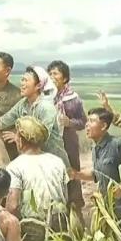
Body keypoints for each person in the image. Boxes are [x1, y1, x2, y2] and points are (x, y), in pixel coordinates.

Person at [0, 66, 72, 172]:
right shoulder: (23, 104)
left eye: (26, 80)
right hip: (36, 162)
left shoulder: (46, 107)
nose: (22, 84)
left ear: (38, 85)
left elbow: (41, 137)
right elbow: (2, 122)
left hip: (54, 163)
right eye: (22, 80)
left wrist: (18, 137)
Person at [5, 116, 70, 241]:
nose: (16, 140)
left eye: (17, 136)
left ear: (21, 141)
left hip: (33, 227)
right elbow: (65, 196)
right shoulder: (57, 161)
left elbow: (12, 206)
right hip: (60, 223)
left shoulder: (15, 166)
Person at [70, 107, 121, 218]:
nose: (87, 125)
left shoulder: (117, 145)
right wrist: (76, 174)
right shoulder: (95, 148)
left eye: (92, 121)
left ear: (103, 126)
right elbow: (98, 174)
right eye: (87, 121)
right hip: (107, 209)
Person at [48, 60, 86, 222]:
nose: (52, 77)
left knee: (72, 175)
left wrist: (69, 122)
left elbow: (82, 122)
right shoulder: (46, 97)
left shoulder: (73, 99)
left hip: (68, 143)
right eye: (49, 74)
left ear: (65, 78)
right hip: (50, 143)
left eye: (55, 73)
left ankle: (75, 213)